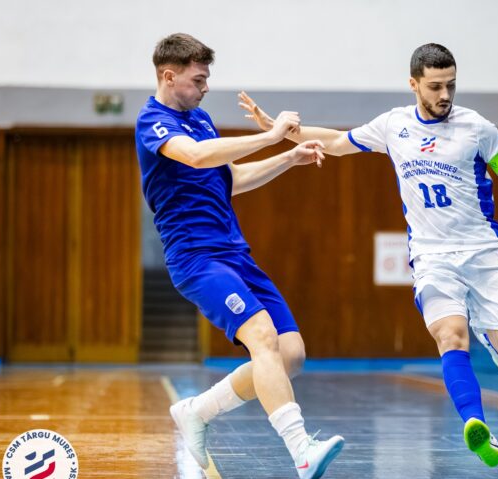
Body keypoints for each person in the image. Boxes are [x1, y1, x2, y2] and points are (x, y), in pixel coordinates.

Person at [238, 43, 498, 468]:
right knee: (449, 336)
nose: (445, 94)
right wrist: (280, 131)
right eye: (435, 86)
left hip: (484, 251)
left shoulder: (479, 129)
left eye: (451, 85)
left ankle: (485, 329)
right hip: (431, 256)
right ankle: (476, 423)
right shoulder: (393, 125)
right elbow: (337, 142)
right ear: (414, 84)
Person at [135, 33, 343, 479]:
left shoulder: (201, 119)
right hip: (196, 257)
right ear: (169, 77)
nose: (205, 87)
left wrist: (287, 157)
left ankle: (197, 410)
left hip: (234, 252)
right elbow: (195, 157)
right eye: (198, 79)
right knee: (262, 337)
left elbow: (232, 179)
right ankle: (302, 450)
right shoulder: (153, 121)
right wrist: (269, 135)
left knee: (290, 354)